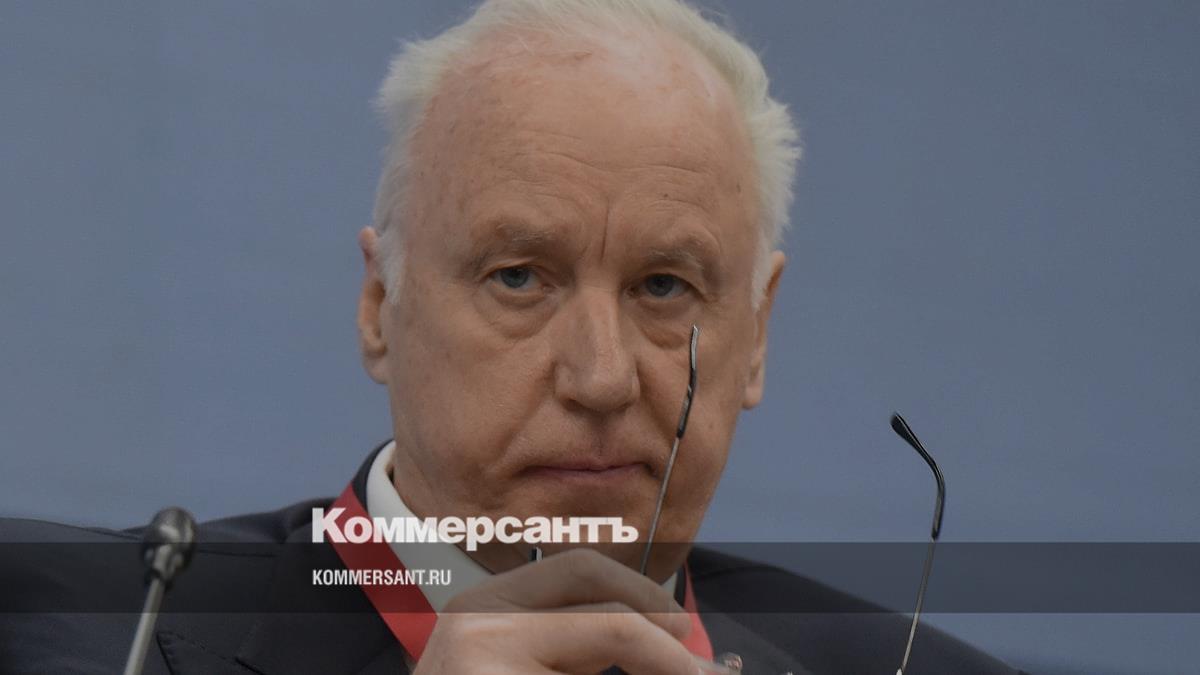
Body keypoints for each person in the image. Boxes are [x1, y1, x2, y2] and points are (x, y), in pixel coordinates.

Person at [0, 1, 1027, 673]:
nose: (601, 377)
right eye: (520, 276)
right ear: (379, 306)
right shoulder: (67, 626)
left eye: (664, 287)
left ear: (753, 336)